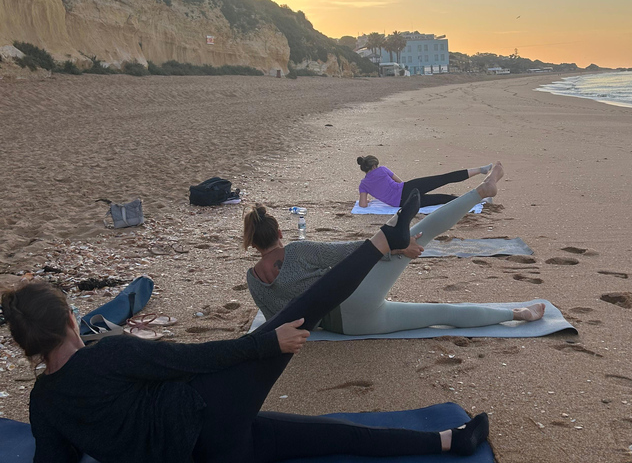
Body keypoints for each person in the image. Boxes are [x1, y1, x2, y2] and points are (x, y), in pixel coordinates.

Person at [1, 190, 490, 463]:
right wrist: (266, 345)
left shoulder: (42, 402)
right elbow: (196, 359)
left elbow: (54, 462)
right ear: (71, 318)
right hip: (210, 412)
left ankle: (451, 442)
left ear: (29, 346)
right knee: (302, 313)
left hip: (210, 454)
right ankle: (386, 240)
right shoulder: (108, 354)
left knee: (327, 438)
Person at [247, 162, 546, 335]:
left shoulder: (252, 279)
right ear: (279, 231)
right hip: (351, 297)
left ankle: (518, 313)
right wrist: (397, 250)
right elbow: (353, 252)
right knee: (420, 232)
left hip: (347, 327)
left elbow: (276, 322)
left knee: (438, 314)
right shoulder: (297, 252)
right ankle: (481, 191)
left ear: (254, 242)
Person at [357, 154, 493, 208]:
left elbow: (363, 205)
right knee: (443, 179)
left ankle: (479, 201)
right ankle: (480, 170)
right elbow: (400, 182)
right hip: (408, 188)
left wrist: (370, 199)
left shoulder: (363, 185)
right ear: (374, 165)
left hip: (402, 203)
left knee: (442, 199)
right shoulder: (382, 170)